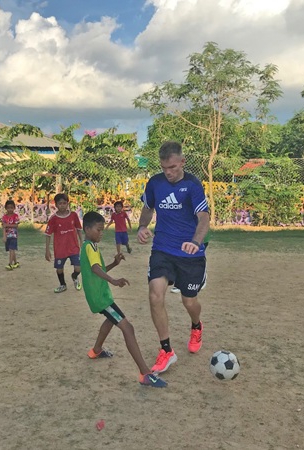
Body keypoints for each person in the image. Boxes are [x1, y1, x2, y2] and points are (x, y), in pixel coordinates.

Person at [137, 141, 210, 374]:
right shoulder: (155, 183)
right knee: (155, 294)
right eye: (164, 167)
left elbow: (204, 218)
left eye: (172, 167)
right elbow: (148, 207)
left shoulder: (192, 185)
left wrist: (196, 243)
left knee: (189, 301)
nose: (168, 172)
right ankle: (166, 350)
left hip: (190, 253)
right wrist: (142, 226)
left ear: (182, 162)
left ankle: (196, 326)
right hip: (163, 249)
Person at [80, 211, 167, 388]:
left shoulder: (91, 246)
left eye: (102, 230)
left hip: (101, 296)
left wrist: (114, 264)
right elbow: (96, 269)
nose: (101, 233)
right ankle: (145, 373)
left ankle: (95, 351)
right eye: (98, 229)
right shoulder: (89, 247)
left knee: (111, 320)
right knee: (128, 328)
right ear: (87, 229)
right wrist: (114, 280)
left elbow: (97, 269)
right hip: (101, 298)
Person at [45, 193, 83, 293]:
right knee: (59, 269)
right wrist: (47, 250)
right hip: (60, 249)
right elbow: (48, 235)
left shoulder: (73, 215)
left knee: (78, 268)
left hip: (73, 247)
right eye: (60, 203)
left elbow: (79, 229)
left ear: (67, 204)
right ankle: (63, 285)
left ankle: (74, 277)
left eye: (64, 203)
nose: (62, 205)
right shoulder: (53, 219)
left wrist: (82, 242)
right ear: (56, 205)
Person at [2, 199, 20, 270]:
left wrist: (7, 225)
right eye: (8, 208)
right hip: (7, 235)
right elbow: (3, 227)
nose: (10, 209)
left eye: (11, 207)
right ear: (6, 208)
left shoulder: (15, 216)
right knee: (11, 250)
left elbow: (16, 225)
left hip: (13, 235)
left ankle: (10, 264)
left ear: (14, 208)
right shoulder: (4, 217)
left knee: (11, 248)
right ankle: (16, 262)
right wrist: (4, 236)